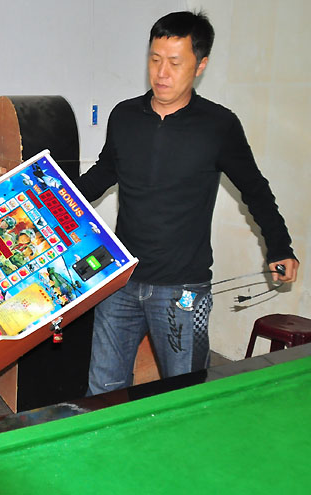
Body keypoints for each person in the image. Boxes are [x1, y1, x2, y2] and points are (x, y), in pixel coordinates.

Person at [74, 11, 299, 395]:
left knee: (186, 392)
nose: (161, 73)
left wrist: (280, 246)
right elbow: (102, 175)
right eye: (155, 59)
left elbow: (255, 189)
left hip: (181, 290)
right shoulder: (124, 116)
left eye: (175, 63)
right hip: (120, 280)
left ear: (200, 65)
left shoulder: (219, 125)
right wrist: (45, 201)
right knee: (103, 391)